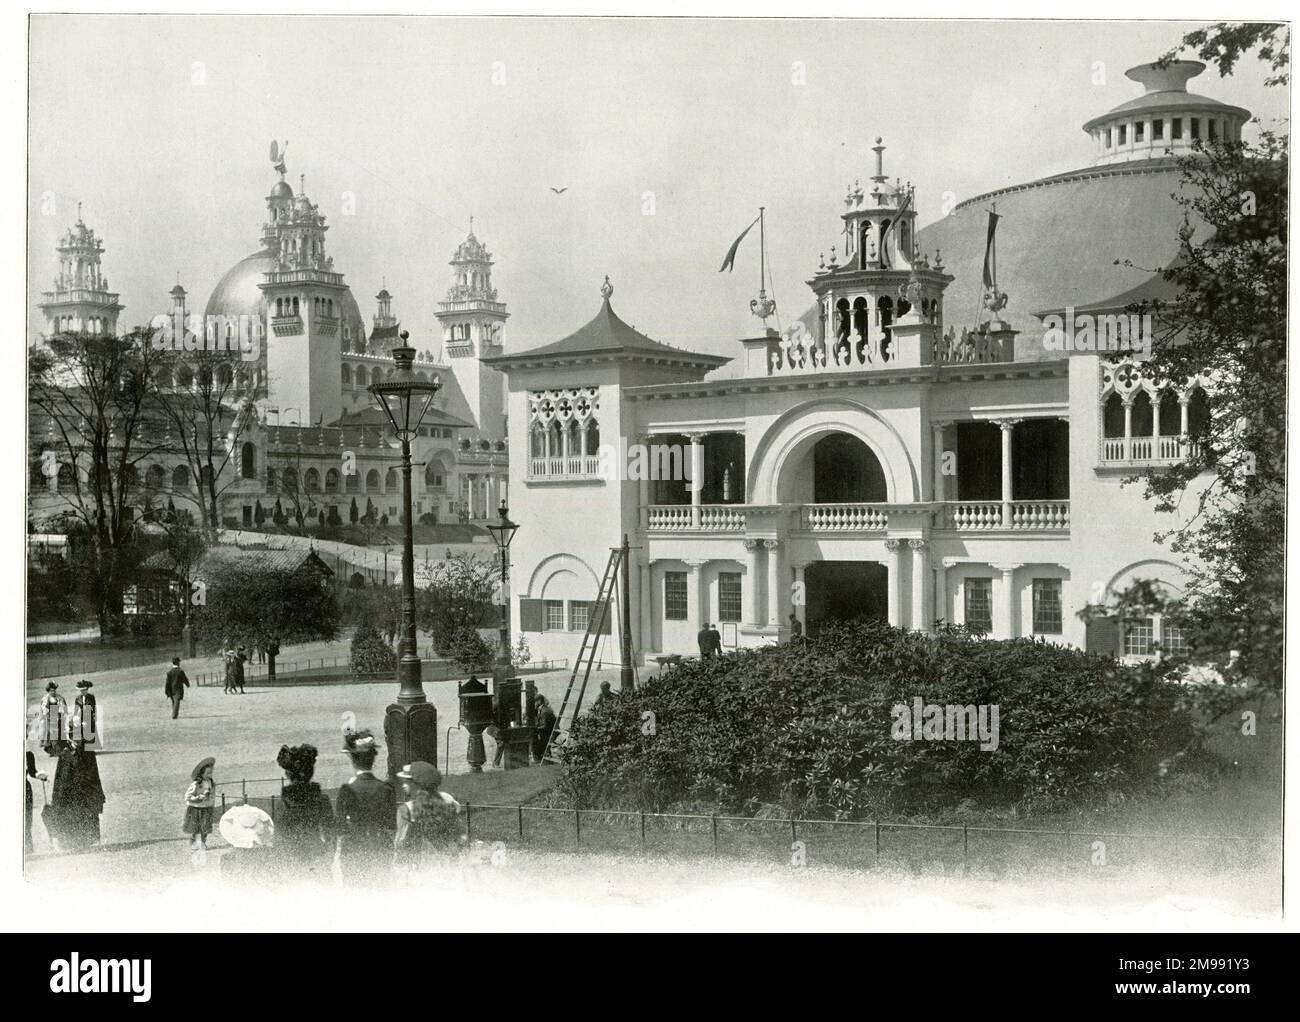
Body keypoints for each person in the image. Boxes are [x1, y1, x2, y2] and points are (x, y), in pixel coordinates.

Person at [335, 729, 396, 883]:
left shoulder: (347, 790)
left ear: (353, 760)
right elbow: (391, 826)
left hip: (354, 849)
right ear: (372, 759)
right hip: (380, 848)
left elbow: (340, 828)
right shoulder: (387, 789)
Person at [274, 744, 334, 873]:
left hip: (293, 859)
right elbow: (330, 833)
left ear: (288, 774)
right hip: (318, 854)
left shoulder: (283, 803)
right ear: (310, 772)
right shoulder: (322, 800)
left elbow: (280, 838)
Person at [394, 762, 463, 869]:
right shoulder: (448, 801)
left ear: (417, 784)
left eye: (407, 781)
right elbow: (458, 833)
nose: (403, 785)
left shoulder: (407, 809)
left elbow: (401, 842)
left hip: (420, 863)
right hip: (449, 860)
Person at [48, 739, 105, 850]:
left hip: (85, 762)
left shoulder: (87, 721)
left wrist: (79, 746)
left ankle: (89, 837)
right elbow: (52, 743)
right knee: (66, 797)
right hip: (66, 763)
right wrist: (63, 748)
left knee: (86, 797)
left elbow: (92, 740)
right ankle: (68, 839)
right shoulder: (60, 721)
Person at [183, 757, 216, 851]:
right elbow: (187, 796)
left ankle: (203, 842)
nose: (210, 775)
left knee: (205, 827)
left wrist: (211, 805)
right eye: (208, 773)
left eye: (211, 773)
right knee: (195, 827)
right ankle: (193, 843)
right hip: (196, 809)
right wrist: (199, 797)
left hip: (206, 808)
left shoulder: (211, 783)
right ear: (201, 774)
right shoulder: (196, 784)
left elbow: (212, 796)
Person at [25, 751, 48, 854]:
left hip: (25, 788)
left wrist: (40, 775)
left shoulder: (28, 754)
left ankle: (28, 848)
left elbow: (32, 772)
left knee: (27, 818)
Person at [39, 682, 68, 752]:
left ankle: (61, 747)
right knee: (51, 733)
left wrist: (60, 714)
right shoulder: (45, 698)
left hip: (59, 717)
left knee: (61, 732)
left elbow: (63, 706)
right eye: (51, 691)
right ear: (48, 691)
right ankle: (52, 748)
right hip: (49, 718)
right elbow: (44, 709)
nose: (53, 692)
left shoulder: (59, 697)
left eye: (54, 690)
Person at [71, 680, 98, 747]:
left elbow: (94, 707)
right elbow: (76, 709)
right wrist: (75, 717)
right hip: (80, 717)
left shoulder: (91, 697)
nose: (82, 692)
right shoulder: (77, 698)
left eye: (84, 690)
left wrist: (94, 717)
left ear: (87, 690)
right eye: (81, 690)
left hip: (89, 717)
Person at [533, 695, 557, 763]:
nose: (534, 704)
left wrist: (535, 729)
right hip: (550, 732)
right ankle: (544, 756)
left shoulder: (544, 712)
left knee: (534, 741)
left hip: (549, 734)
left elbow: (544, 726)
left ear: (539, 701)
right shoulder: (544, 709)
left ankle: (539, 759)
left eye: (534, 702)